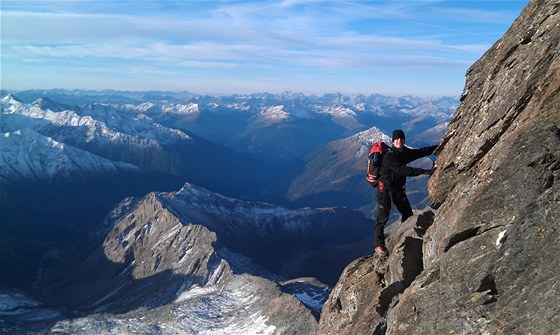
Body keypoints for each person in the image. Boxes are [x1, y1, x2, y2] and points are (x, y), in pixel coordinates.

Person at [374, 129, 437, 256]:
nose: (399, 141)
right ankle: (379, 245)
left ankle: (403, 237)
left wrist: (437, 147)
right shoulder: (389, 156)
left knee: (407, 213)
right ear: (393, 141)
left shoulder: (404, 152)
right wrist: (424, 171)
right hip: (385, 190)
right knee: (383, 217)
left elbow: (419, 152)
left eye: (401, 139)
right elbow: (403, 170)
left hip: (397, 189)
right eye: (396, 139)